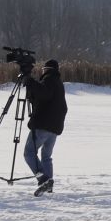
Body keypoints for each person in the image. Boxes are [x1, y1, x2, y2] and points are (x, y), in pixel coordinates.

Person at [22, 58, 67, 195]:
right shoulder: (58, 83)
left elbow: (44, 93)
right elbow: (45, 98)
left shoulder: (49, 79)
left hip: (43, 126)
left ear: (46, 69)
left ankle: (44, 180)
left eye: (43, 70)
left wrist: (30, 82)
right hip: (54, 128)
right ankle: (49, 186)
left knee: (29, 153)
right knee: (46, 156)